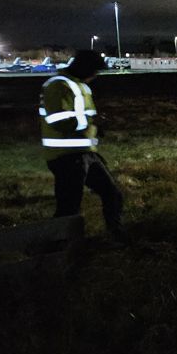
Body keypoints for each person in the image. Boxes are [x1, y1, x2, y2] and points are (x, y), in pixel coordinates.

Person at [40, 50, 128, 243]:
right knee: (69, 207)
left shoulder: (81, 86)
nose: (95, 76)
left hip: (85, 153)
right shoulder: (58, 85)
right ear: (83, 67)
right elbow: (58, 119)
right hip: (65, 155)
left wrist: (96, 127)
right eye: (94, 71)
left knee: (112, 194)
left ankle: (115, 234)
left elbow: (81, 116)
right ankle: (54, 246)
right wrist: (90, 122)